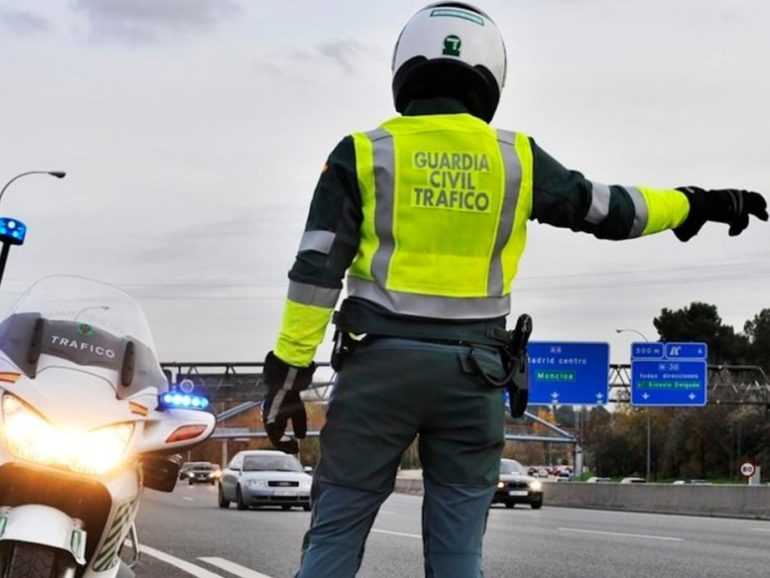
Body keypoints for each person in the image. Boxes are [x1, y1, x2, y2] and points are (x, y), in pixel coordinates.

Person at [260, 3, 767, 577]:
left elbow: (315, 271)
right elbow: (608, 208)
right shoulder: (515, 160)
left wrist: (289, 369)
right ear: (491, 75)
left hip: (378, 373)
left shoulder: (363, 152)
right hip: (474, 378)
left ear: (403, 67)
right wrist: (694, 203)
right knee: (457, 554)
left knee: (334, 536)